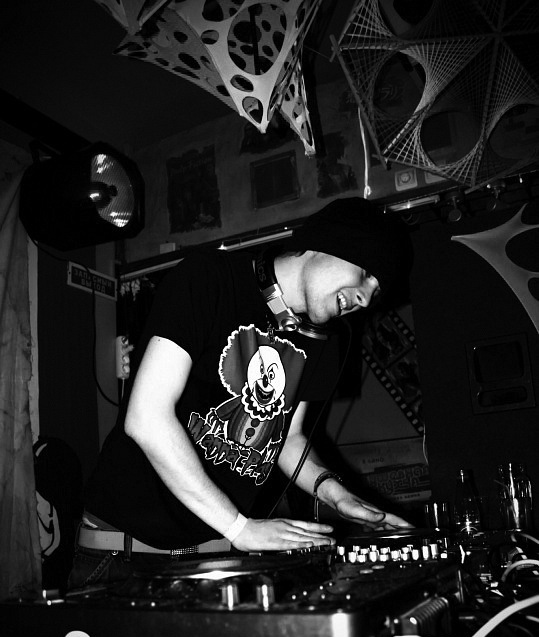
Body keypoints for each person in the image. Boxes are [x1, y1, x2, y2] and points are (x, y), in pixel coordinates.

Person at [68, 197, 414, 589]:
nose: (365, 298)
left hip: (215, 557)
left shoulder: (323, 342)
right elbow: (146, 418)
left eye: (375, 292)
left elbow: (288, 440)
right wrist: (239, 528)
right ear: (329, 241)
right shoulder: (209, 278)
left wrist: (336, 495)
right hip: (123, 557)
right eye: (366, 274)